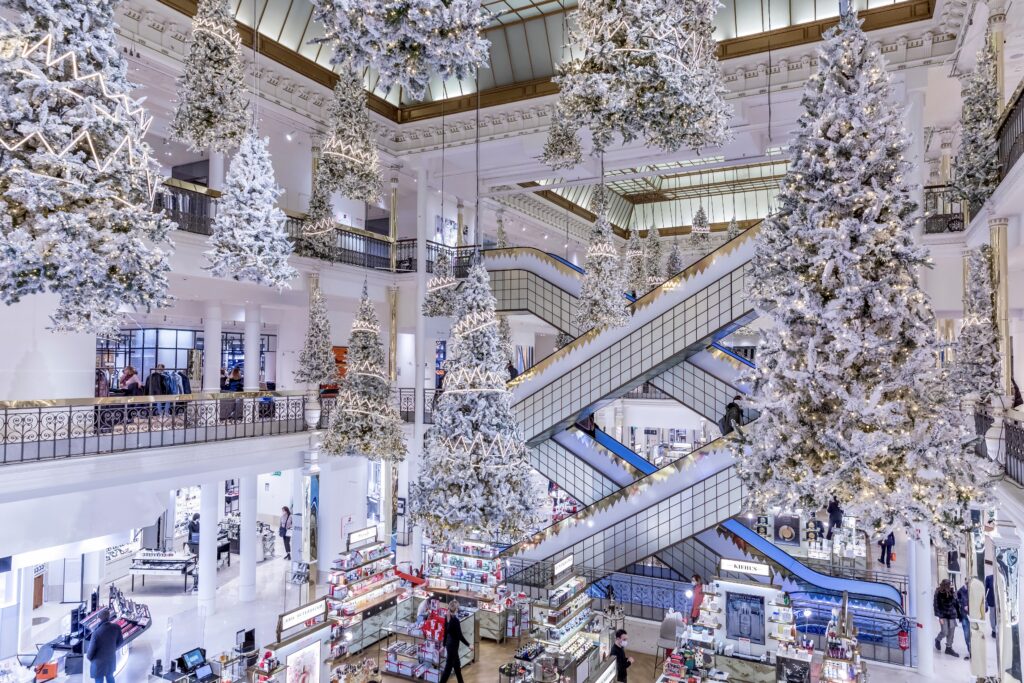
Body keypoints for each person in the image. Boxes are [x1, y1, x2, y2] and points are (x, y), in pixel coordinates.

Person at [86, 608, 124, 683]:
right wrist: (112, 649)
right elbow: (120, 642)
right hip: (110, 660)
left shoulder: (96, 633)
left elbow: (90, 652)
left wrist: (89, 657)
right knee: (110, 677)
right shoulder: (116, 627)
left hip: (98, 663)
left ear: (99, 619)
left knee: (99, 680)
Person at [439, 599, 471, 683]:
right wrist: (469, 645)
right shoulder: (455, 621)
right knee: (448, 668)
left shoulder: (447, 617)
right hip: (453, 646)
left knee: (457, 666)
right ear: (456, 609)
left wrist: (443, 645)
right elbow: (460, 636)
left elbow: (445, 632)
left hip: (450, 644)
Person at [934, 578, 961, 656]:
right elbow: (936, 606)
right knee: (945, 631)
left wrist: (954, 596)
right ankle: (938, 639)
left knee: (951, 632)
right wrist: (939, 617)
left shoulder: (952, 592)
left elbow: (955, 603)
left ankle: (948, 648)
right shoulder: (938, 593)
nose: (948, 586)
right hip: (943, 615)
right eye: (947, 585)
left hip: (951, 614)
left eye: (949, 584)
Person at [956, 583, 971, 659]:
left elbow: (985, 606)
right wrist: (963, 605)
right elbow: (957, 598)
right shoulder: (962, 590)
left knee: (975, 636)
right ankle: (970, 652)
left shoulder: (978, 590)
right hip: (965, 616)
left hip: (976, 618)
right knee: (967, 636)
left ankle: (974, 652)